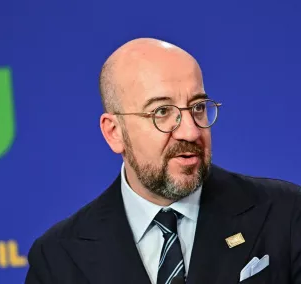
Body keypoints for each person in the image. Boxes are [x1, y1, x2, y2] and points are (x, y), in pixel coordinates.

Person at [24, 38, 301, 284]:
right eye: (162, 112)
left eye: (198, 107)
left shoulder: (284, 213)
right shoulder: (58, 258)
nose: (190, 131)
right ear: (114, 132)